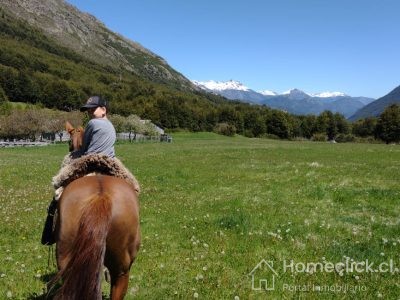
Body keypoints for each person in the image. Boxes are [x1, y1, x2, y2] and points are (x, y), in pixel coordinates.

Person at [41, 95, 116, 245]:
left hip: (91, 162)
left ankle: (49, 233)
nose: (90, 113)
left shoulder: (93, 124)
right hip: (109, 163)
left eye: (93, 109)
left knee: (59, 188)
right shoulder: (111, 126)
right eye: (88, 110)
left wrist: (73, 155)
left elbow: (85, 148)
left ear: (103, 110)